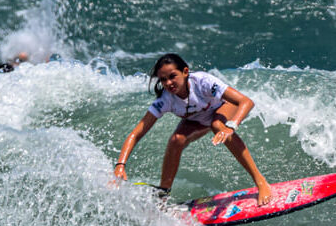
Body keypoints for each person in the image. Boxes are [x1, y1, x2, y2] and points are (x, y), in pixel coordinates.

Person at [113, 53, 274, 206]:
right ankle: (163, 193)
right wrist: (121, 164)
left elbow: (246, 101)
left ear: (185, 72)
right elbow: (136, 133)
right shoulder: (165, 100)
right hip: (197, 120)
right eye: (163, 80)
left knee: (217, 125)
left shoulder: (203, 82)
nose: (169, 83)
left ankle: (261, 181)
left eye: (172, 76)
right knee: (176, 140)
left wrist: (231, 126)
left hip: (223, 108)